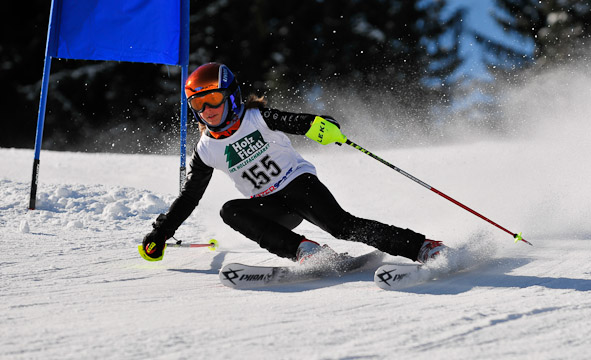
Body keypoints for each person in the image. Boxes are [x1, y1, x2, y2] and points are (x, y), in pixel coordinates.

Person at [140, 62, 446, 265]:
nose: (207, 110)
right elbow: (190, 196)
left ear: (231, 97)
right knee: (230, 210)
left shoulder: (256, 117)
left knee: (342, 227)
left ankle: (423, 248)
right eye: (198, 104)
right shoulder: (206, 149)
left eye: (214, 100)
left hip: (298, 185)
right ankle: (306, 252)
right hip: (271, 207)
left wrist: (320, 125)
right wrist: (163, 232)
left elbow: (296, 122)